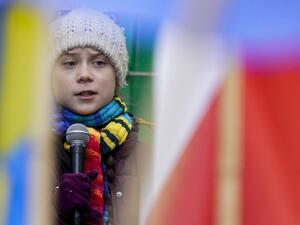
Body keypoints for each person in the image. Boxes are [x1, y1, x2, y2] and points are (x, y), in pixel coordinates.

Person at [50, 9, 148, 225]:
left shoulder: (148, 159)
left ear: (117, 75)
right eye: (70, 63)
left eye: (98, 62)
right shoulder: (30, 159)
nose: (85, 75)